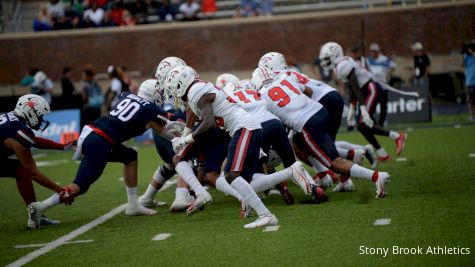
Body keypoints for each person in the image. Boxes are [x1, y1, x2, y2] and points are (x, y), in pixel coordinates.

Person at [28, 88, 174, 222]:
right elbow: (166, 123)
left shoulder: (128, 96)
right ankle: (41, 207)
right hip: (101, 141)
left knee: (129, 156)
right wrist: (181, 137)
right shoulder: (150, 108)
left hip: (92, 133)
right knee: (80, 185)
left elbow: (127, 98)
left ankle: (133, 204)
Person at [165, 65, 279, 228]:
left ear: (181, 83)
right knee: (236, 176)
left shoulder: (196, 91)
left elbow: (208, 123)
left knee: (232, 175)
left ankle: (267, 211)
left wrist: (185, 139)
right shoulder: (198, 89)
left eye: (174, 87)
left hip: (241, 127)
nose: (174, 92)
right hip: (239, 128)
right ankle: (288, 178)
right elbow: (195, 114)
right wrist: (186, 134)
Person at [250, 67, 390, 198]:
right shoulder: (285, 79)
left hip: (307, 124)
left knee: (334, 164)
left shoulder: (261, 97)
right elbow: (310, 92)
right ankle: (348, 158)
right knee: (301, 144)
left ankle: (377, 176)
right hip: (321, 112)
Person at [319, 42, 407, 163]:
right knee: (361, 126)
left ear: (335, 55)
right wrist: (351, 107)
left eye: (326, 58)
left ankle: (398, 136)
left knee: (363, 123)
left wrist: (364, 110)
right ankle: (383, 154)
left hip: (370, 89)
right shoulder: (339, 66)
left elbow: (356, 87)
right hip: (364, 91)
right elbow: (352, 87)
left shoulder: (343, 65)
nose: (324, 62)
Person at [1, 94, 74, 229]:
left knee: (21, 172)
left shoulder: (13, 120)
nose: (41, 120)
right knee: (25, 171)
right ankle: (36, 213)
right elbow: (32, 171)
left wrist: (61, 146)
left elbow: (33, 141)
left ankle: (35, 214)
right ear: (30, 113)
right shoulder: (16, 131)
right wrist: (60, 191)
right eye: (40, 116)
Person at [366, 43, 396, 126]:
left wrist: (388, 74)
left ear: (377, 52)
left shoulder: (384, 59)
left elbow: (393, 66)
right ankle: (373, 122)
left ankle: (382, 122)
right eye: (372, 51)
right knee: (373, 105)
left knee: (383, 105)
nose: (373, 53)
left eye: (374, 51)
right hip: (373, 87)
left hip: (383, 86)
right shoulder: (368, 60)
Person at [462, 40, 475, 121]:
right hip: (470, 81)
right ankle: (471, 116)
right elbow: (463, 64)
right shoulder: (466, 55)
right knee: (470, 100)